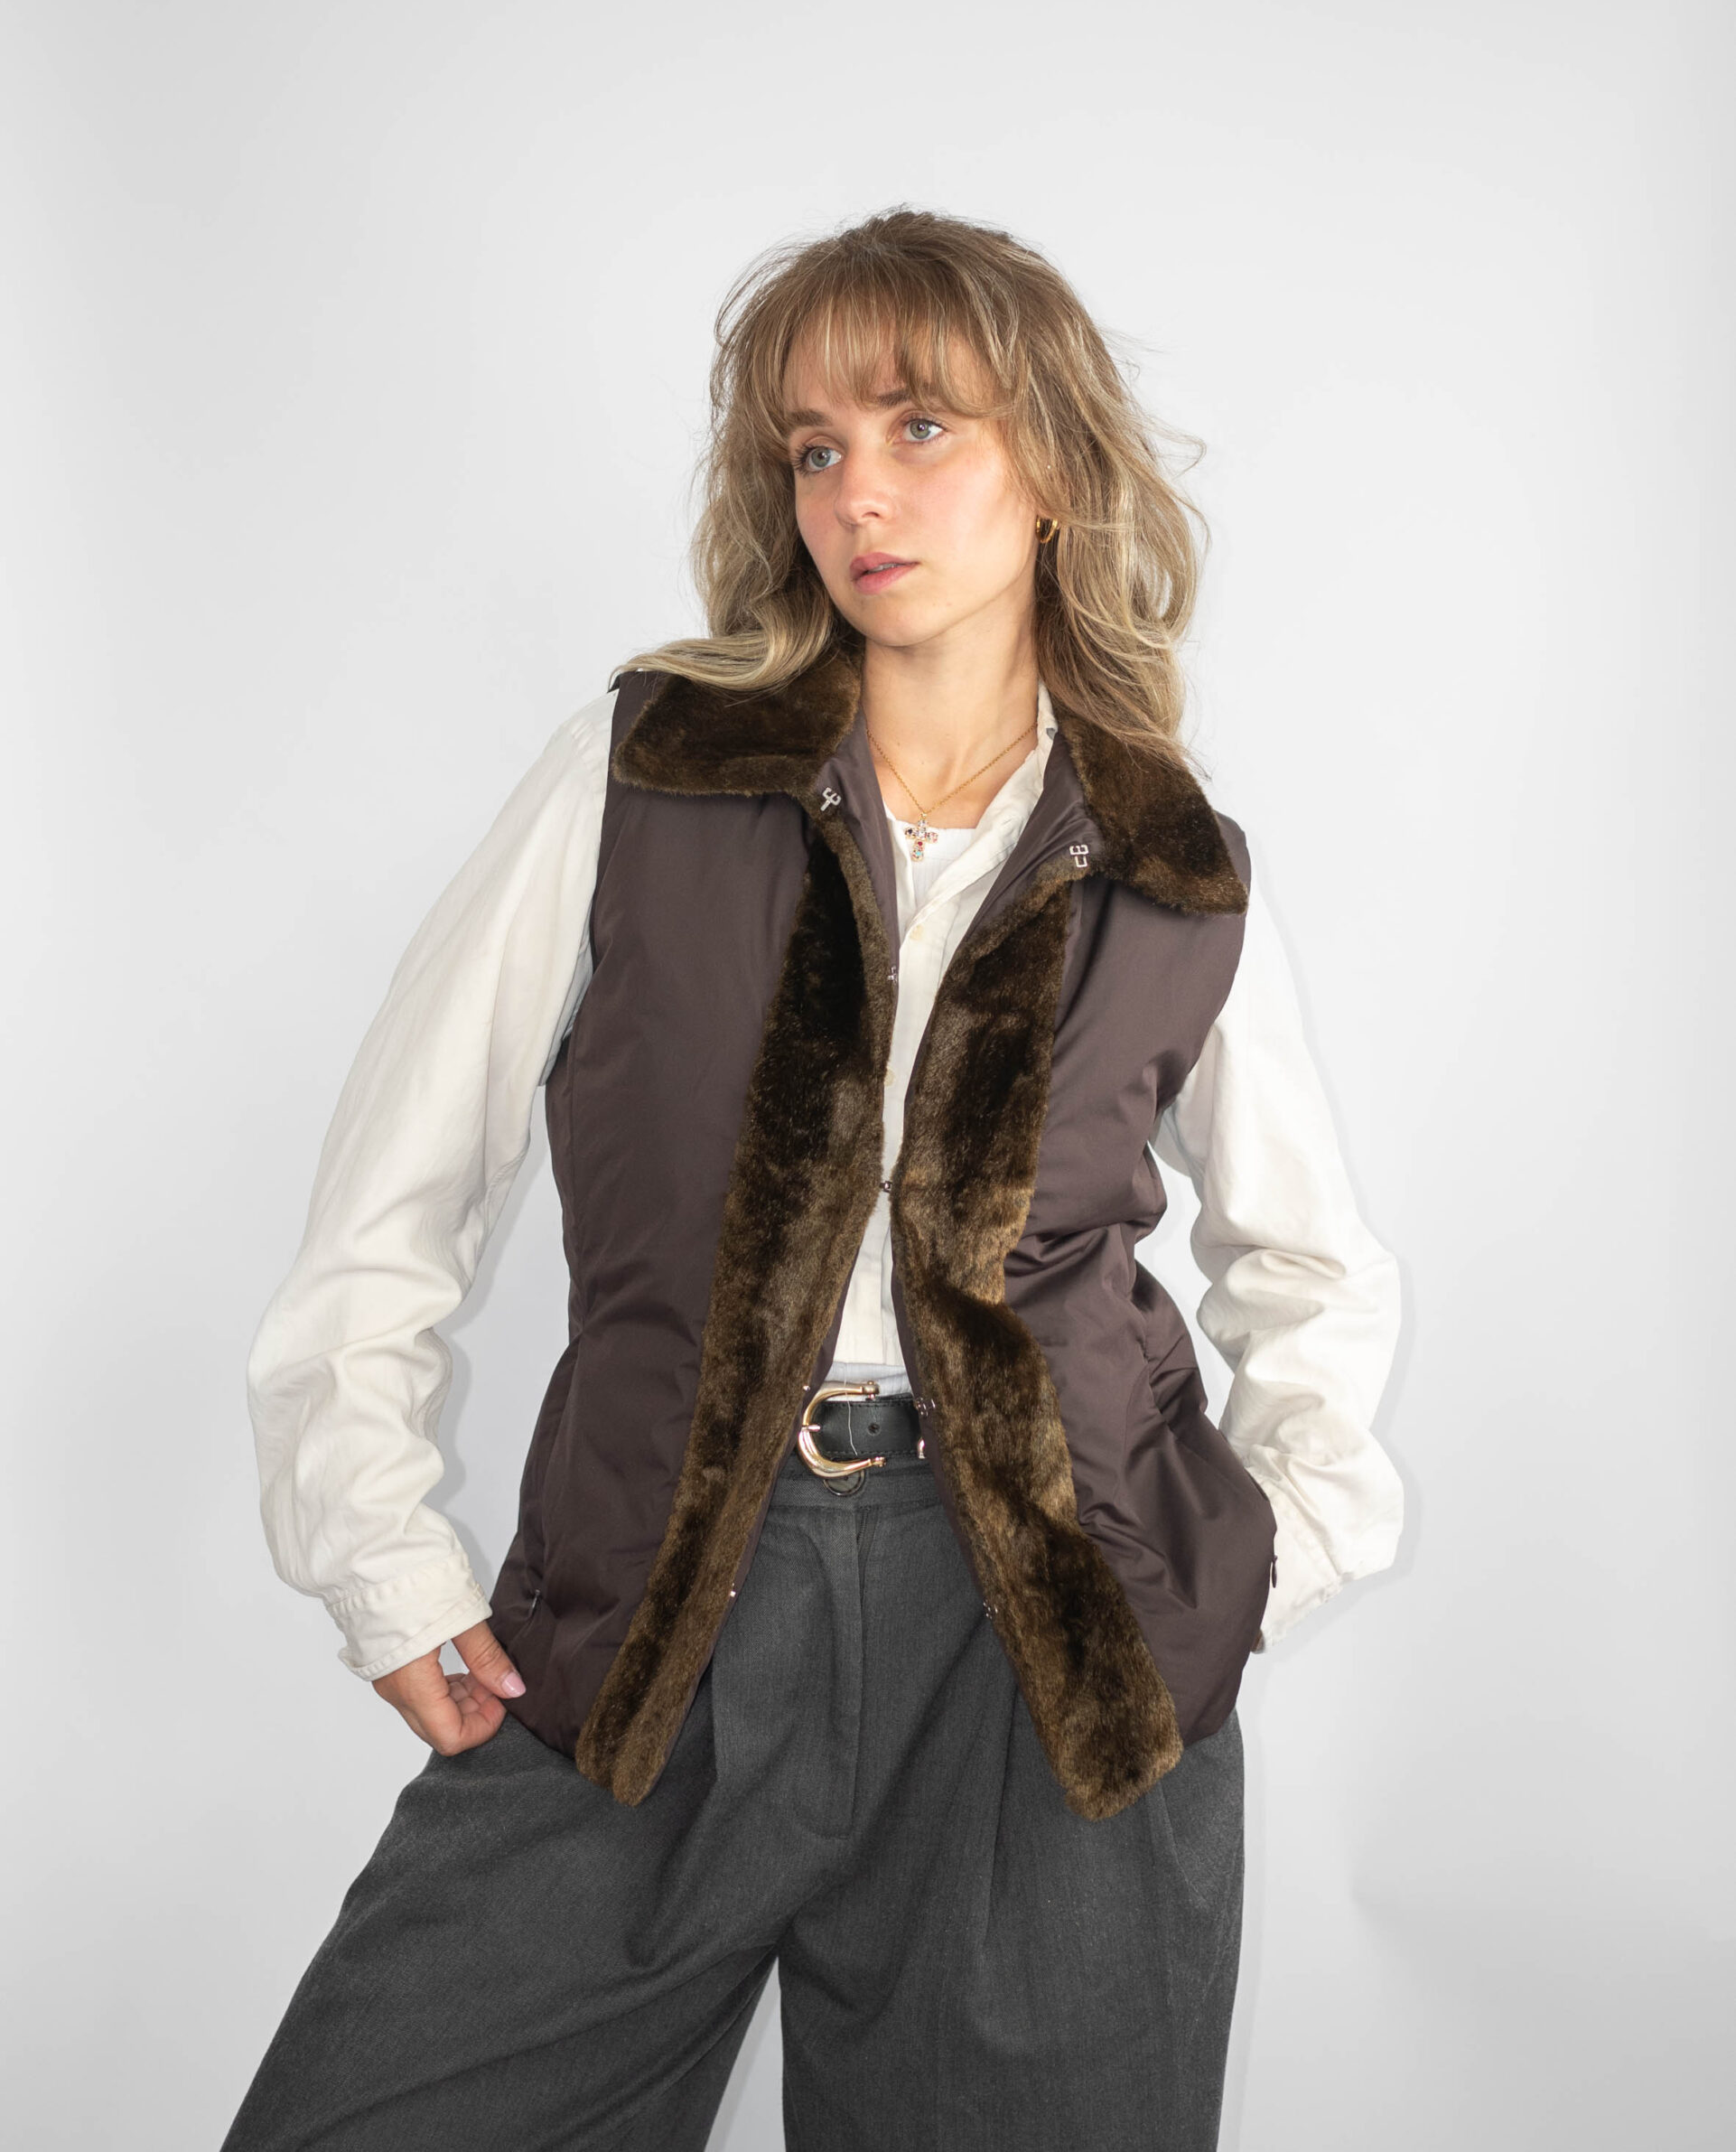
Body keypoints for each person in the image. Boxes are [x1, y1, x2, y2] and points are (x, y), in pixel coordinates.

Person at [222, 207, 1405, 2151]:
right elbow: (394, 1187)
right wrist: (379, 1552)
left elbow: (1309, 1265)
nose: (858, 489)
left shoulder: (1167, 855)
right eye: (813, 445)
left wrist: (1236, 1588)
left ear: (1053, 461)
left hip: (1050, 1646)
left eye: (919, 425)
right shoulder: (648, 770)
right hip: (659, 1596)